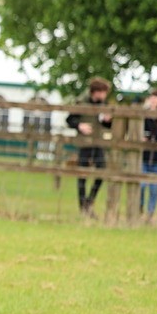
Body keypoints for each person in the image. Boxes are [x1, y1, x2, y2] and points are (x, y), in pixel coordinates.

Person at [65, 77, 113, 218]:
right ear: (96, 92)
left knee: (101, 171)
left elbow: (108, 125)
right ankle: (83, 207)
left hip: (98, 143)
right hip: (84, 143)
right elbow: (69, 120)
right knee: (82, 175)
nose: (105, 95)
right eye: (103, 92)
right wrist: (80, 126)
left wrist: (108, 121)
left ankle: (89, 200)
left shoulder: (105, 105)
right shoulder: (81, 103)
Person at [140, 89, 157, 223]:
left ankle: (150, 214)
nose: (155, 101)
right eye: (153, 98)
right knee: (141, 186)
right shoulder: (143, 116)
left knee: (154, 189)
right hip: (143, 157)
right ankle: (139, 210)